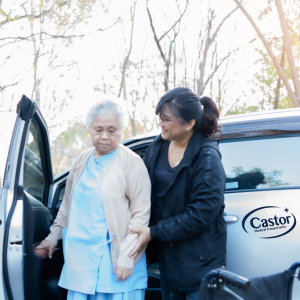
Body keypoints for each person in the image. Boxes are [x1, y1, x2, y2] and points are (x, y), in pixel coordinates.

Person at [36, 100, 151, 300]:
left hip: (116, 264)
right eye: (98, 130)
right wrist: (51, 238)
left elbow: (141, 215)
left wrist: (127, 257)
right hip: (81, 263)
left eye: (112, 130)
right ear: (89, 129)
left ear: (121, 131)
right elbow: (67, 208)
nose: (104, 136)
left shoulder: (132, 162)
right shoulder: (81, 161)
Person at [130, 87, 227, 300]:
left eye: (166, 119)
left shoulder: (207, 158)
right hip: (169, 259)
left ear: (190, 123)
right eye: (159, 118)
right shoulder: (158, 146)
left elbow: (201, 214)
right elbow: (140, 187)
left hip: (199, 263)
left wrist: (153, 232)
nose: (160, 124)